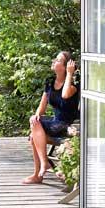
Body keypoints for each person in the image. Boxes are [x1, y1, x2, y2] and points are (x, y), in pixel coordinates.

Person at [23, 51, 79, 184]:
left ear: (65, 67)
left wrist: (69, 74)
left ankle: (42, 168)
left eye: (58, 60)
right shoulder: (50, 82)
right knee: (34, 126)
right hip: (54, 123)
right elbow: (42, 106)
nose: (54, 61)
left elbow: (65, 95)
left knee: (34, 133)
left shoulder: (73, 86)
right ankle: (40, 170)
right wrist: (37, 115)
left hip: (66, 126)